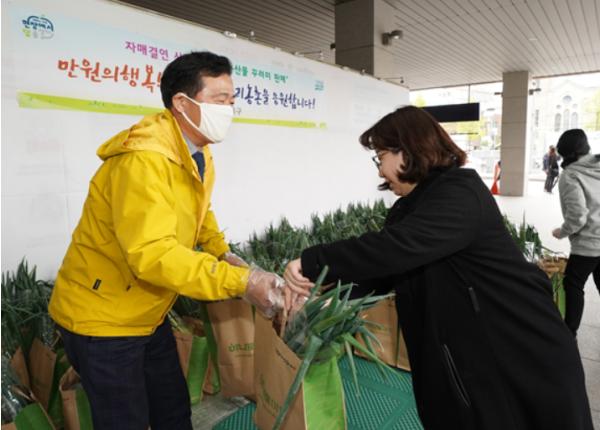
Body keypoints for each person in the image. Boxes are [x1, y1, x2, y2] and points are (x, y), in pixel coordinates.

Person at [284, 106, 593, 430]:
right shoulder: (410, 208)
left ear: (407, 149)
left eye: (380, 157)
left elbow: (395, 248)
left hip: (521, 356)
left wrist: (311, 262)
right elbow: (384, 272)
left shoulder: (460, 193)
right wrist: (325, 296)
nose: (379, 171)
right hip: (470, 362)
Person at [48, 52, 293, 430]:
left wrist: (224, 254)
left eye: (232, 101)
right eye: (220, 100)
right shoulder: (144, 161)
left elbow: (200, 213)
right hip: (104, 322)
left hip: (147, 312)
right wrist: (242, 282)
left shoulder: (197, 152)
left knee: (173, 412)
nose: (229, 110)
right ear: (182, 102)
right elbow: (152, 254)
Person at [552, 129, 600, 338]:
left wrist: (562, 232)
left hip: (589, 244)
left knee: (573, 284)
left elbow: (578, 216)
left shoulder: (571, 174)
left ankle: (568, 334)